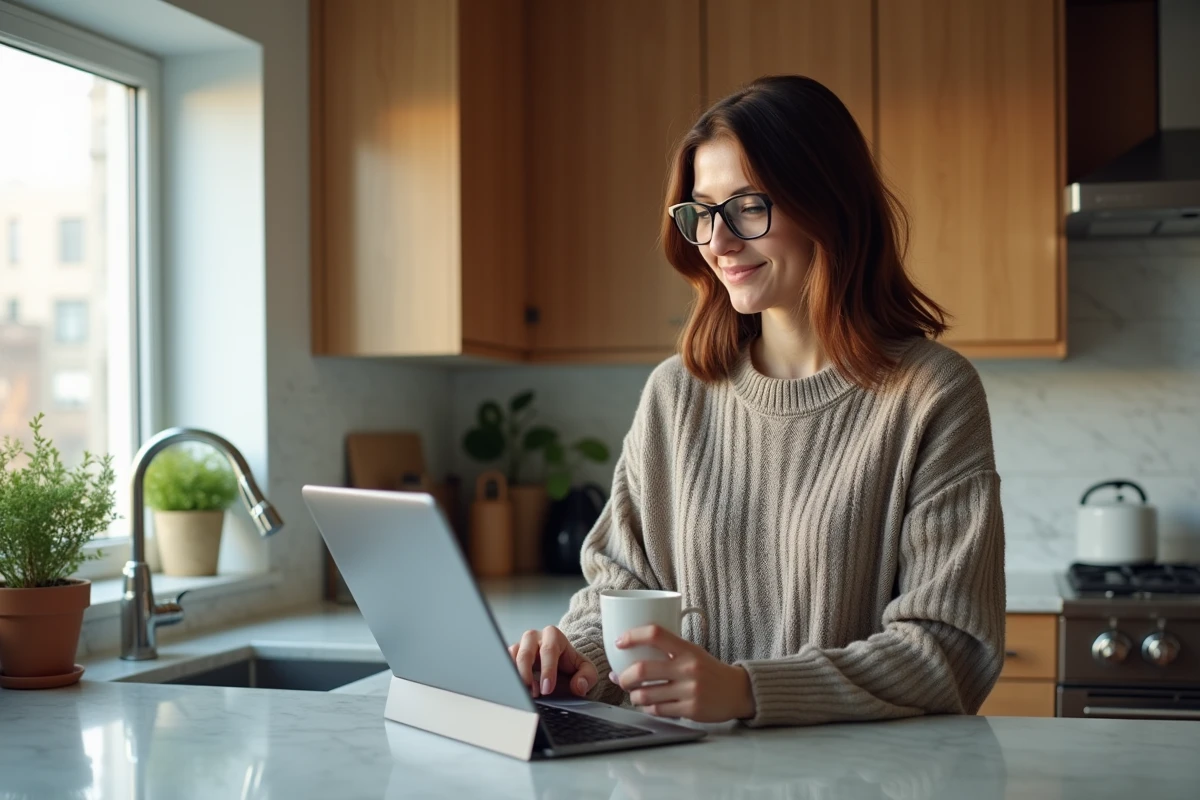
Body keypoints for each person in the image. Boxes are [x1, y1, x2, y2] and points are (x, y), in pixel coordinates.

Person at [507, 75, 1005, 727]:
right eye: (702, 212)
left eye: (747, 207)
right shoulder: (675, 395)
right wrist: (576, 660)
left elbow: (951, 649)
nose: (717, 241)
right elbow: (618, 597)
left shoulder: (932, 394)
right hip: (685, 776)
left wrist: (749, 690)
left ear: (828, 205)